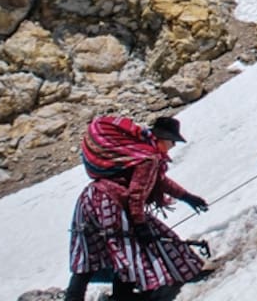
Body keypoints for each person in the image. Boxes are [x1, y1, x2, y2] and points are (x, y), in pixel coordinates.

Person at [66, 116, 209, 301]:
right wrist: (140, 225)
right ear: (163, 138)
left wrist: (187, 197)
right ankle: (122, 297)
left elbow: (158, 181)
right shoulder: (149, 158)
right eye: (172, 141)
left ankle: (72, 298)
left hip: (90, 200)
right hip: (112, 203)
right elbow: (137, 194)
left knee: (89, 253)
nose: (173, 146)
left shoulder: (137, 152)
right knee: (127, 250)